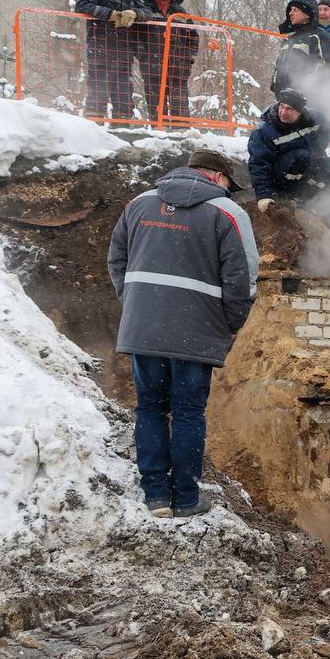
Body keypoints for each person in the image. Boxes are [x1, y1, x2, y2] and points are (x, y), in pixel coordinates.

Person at [107, 149, 258, 518]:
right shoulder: (228, 212)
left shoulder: (140, 203)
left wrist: (137, 306)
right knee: (188, 413)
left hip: (144, 327)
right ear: (219, 177)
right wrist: (230, 324)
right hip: (196, 330)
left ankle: (156, 496)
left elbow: (117, 260)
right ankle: (186, 498)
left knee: (151, 408)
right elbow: (243, 278)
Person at [74, 0, 158, 120]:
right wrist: (111, 14)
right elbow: (82, 5)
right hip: (100, 53)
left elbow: (148, 13)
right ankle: (93, 128)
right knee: (98, 93)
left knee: (124, 96)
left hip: (123, 55)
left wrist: (134, 13)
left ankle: (122, 128)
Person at [247, 88, 330, 212]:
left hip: (303, 167)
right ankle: (286, 194)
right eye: (282, 106)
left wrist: (318, 151)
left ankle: (301, 198)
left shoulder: (313, 119)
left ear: (299, 112)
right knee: (301, 155)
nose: (283, 112)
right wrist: (263, 195)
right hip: (278, 175)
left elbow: (328, 129)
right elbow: (258, 164)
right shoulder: (264, 131)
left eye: (290, 109)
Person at [139, 0, 200, 121]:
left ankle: (181, 130)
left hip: (178, 64)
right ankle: (159, 131)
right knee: (156, 101)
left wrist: (189, 57)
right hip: (152, 64)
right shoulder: (145, 11)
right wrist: (142, 55)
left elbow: (192, 37)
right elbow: (136, 36)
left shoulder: (181, 13)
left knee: (179, 101)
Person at [270, 0, 330, 96]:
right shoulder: (288, 40)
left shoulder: (319, 36)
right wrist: (275, 84)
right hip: (283, 99)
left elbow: (329, 67)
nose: (290, 13)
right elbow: (278, 65)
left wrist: (306, 85)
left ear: (308, 14)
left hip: (310, 99)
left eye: (295, 10)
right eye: (290, 10)